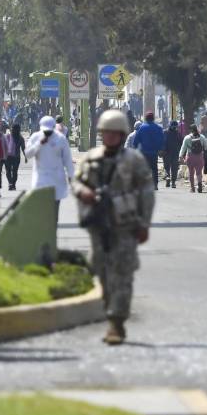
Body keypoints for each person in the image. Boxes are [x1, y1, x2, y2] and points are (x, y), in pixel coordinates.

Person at [73, 109, 154, 345]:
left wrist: (144, 223)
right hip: (98, 225)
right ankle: (109, 309)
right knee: (101, 272)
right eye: (105, 133)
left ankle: (116, 322)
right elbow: (77, 181)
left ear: (121, 135)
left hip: (125, 224)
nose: (108, 137)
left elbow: (147, 193)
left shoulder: (134, 160)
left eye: (113, 133)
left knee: (123, 273)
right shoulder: (91, 158)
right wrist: (83, 192)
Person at [24, 115, 76, 215]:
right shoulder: (35, 137)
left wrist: (71, 176)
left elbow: (68, 160)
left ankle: (53, 226)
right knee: (42, 211)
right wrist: (39, 144)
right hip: (40, 179)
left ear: (53, 127)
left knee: (54, 210)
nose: (47, 133)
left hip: (56, 180)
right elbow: (28, 154)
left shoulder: (60, 139)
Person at [133, 111, 165, 190]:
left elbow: (136, 140)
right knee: (154, 168)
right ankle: (155, 184)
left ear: (146, 118)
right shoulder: (158, 128)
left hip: (144, 152)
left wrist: (135, 148)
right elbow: (162, 140)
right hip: (154, 153)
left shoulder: (142, 128)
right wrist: (161, 149)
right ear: (153, 118)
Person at [179, 124, 207, 193]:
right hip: (200, 156)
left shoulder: (187, 138)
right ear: (197, 129)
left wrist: (180, 156)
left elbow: (183, 148)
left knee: (191, 172)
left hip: (190, 157)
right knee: (199, 172)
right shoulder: (202, 137)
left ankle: (192, 188)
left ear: (190, 130)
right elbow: (206, 147)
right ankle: (200, 184)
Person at [162, 120, 184, 189]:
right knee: (174, 169)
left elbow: (161, 142)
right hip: (175, 153)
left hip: (166, 153)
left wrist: (161, 151)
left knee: (166, 167)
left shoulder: (165, 132)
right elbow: (182, 144)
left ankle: (168, 177)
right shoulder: (178, 134)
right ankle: (173, 183)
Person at [3, 121, 24, 191]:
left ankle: (10, 183)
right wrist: (25, 156)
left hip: (7, 156)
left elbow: (3, 146)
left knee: (8, 171)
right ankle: (13, 184)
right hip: (16, 157)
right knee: (15, 171)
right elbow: (23, 148)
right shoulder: (21, 138)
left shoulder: (7, 136)